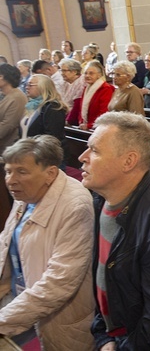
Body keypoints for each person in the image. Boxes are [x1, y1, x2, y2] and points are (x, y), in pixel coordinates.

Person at [79, 112, 150, 350]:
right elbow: (103, 276)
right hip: (115, 335)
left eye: (95, 151)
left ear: (128, 161)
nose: (82, 157)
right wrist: (104, 336)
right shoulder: (103, 197)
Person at [0, 136, 95, 349]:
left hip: (58, 317)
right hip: (20, 300)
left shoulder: (75, 206)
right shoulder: (25, 192)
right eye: (8, 171)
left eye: (21, 171)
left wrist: (3, 320)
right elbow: (6, 241)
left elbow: (59, 282)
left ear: (50, 173)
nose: (11, 180)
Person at [19, 75, 67, 158]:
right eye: (27, 84)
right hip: (27, 153)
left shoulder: (53, 107)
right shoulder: (32, 105)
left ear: (43, 87)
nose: (27, 87)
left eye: (30, 85)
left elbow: (52, 137)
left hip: (44, 156)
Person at [67, 61, 114, 130]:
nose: (87, 76)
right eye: (85, 73)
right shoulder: (86, 87)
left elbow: (104, 112)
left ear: (99, 75)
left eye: (91, 73)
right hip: (84, 126)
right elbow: (81, 108)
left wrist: (89, 125)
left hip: (97, 128)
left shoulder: (105, 88)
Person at [0, 64, 27, 155]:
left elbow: (8, 125)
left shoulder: (17, 97)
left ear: (4, 77)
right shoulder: (3, 95)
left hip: (10, 147)